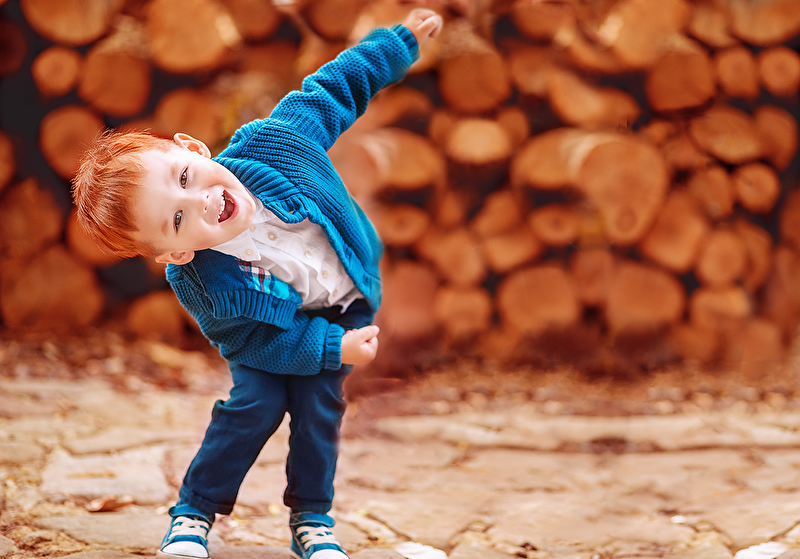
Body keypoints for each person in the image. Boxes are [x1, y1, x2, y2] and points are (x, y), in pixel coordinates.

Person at [71, 9, 443, 559]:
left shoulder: (276, 144)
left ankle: (312, 519)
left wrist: (399, 41)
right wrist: (332, 348)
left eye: (184, 177)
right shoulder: (205, 282)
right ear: (176, 251)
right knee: (256, 405)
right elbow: (255, 342)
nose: (200, 200)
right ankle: (194, 512)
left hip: (343, 301)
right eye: (178, 218)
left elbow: (335, 89)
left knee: (319, 406)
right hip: (267, 336)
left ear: (193, 148)